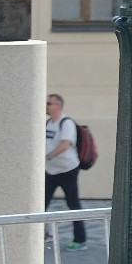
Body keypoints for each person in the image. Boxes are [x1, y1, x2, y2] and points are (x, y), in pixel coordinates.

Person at [44, 94, 85, 251]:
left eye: (49, 103)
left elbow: (65, 144)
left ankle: (80, 240)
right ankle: (45, 234)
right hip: (51, 170)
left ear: (58, 106)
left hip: (68, 170)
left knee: (73, 204)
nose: (46, 106)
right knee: (41, 203)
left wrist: (47, 157)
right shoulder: (48, 123)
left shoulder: (66, 123)